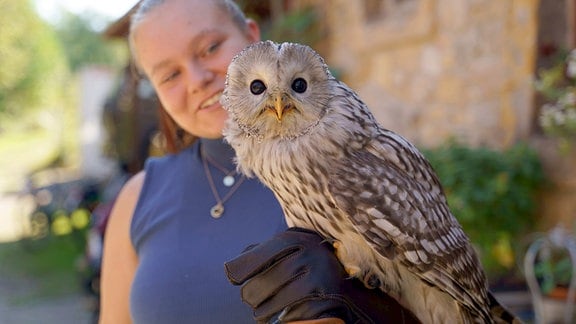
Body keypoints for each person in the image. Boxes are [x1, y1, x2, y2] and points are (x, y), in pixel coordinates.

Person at [99, 0, 419, 323]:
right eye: (169, 75)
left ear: (253, 38)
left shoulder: (348, 170)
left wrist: (367, 307)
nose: (196, 79)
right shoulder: (134, 200)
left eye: (210, 47)